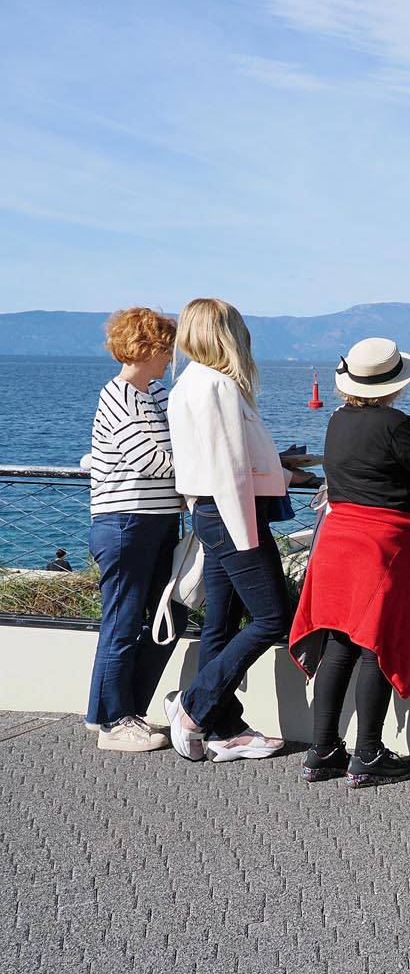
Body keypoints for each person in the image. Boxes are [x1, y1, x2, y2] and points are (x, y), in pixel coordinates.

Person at [289, 337, 410, 787]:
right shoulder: (395, 426)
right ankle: (368, 754)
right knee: (377, 643)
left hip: (335, 541)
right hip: (381, 546)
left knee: (340, 643)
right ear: (394, 384)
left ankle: (322, 751)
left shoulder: (335, 421)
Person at [163, 298, 307, 763]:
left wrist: (280, 469)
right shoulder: (219, 386)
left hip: (211, 512)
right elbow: (228, 469)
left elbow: (214, 461)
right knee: (272, 619)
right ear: (227, 334)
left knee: (220, 624)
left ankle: (224, 728)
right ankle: (195, 707)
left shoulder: (187, 383)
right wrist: (246, 531)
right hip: (231, 514)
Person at [83, 307, 182, 752]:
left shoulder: (156, 392)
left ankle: (113, 711)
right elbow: (154, 461)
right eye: (165, 348)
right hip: (125, 522)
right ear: (148, 347)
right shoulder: (119, 396)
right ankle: (114, 720)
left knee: (168, 615)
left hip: (155, 522)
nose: (170, 357)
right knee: (123, 621)